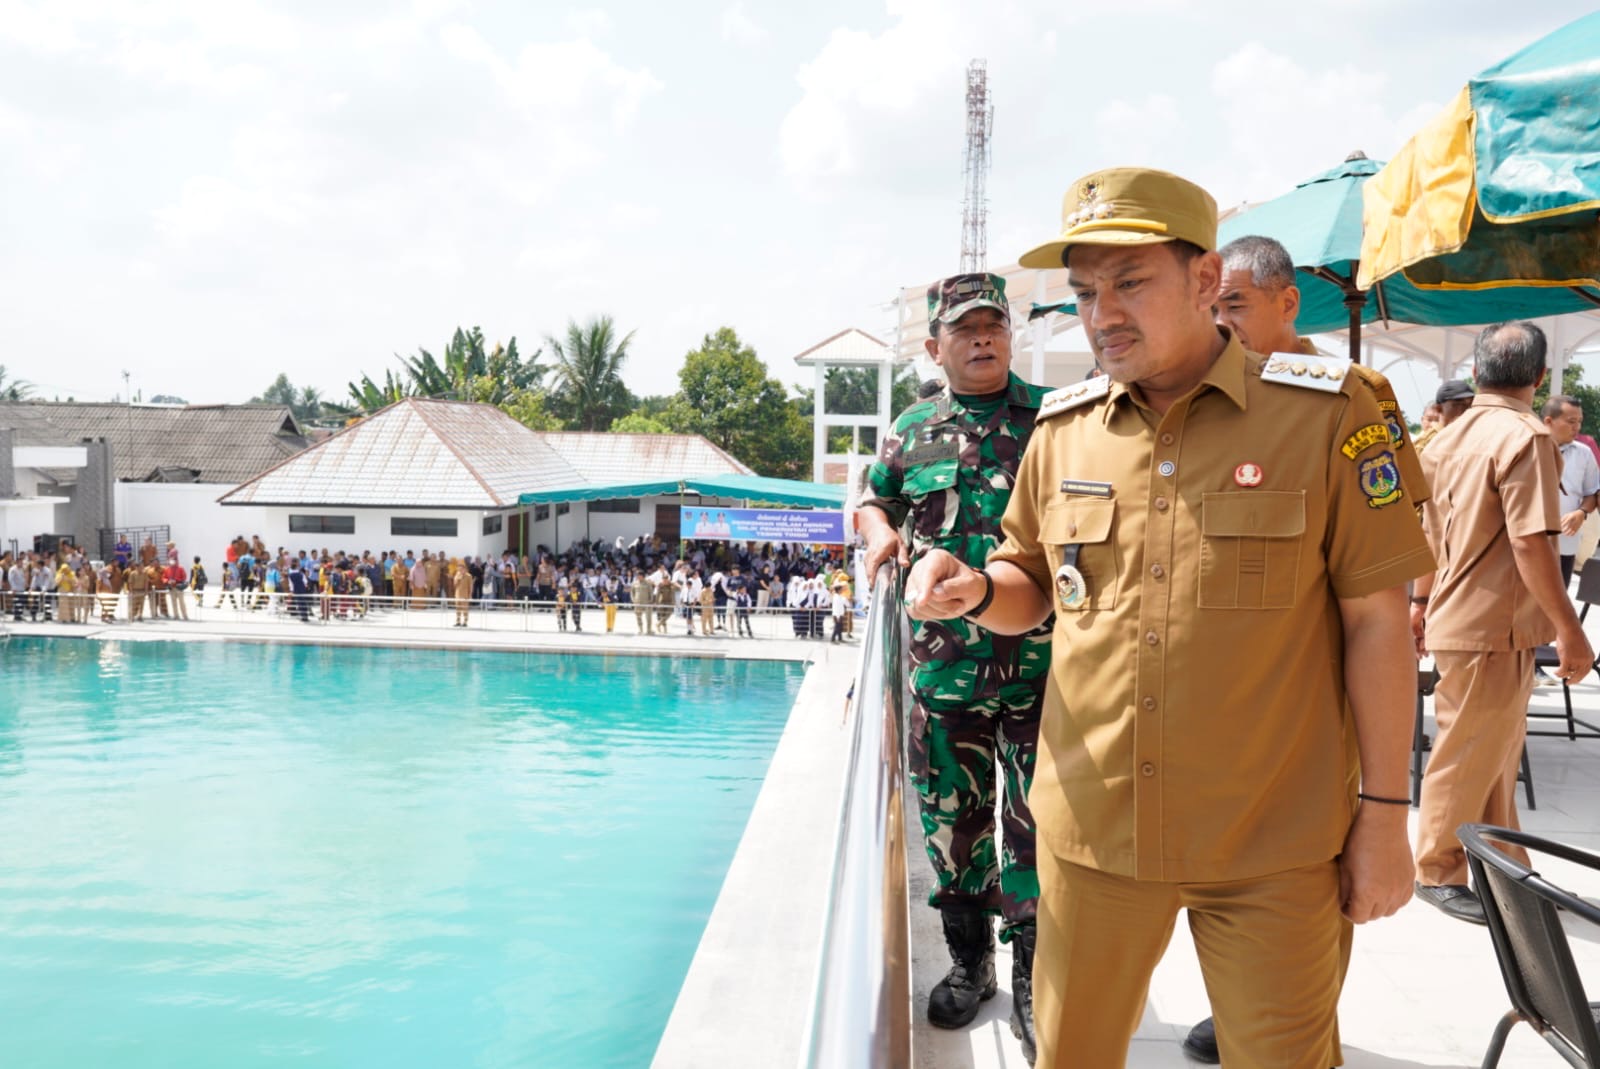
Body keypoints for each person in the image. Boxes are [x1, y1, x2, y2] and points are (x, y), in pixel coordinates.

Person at [909, 167, 1434, 1069]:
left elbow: (1380, 625)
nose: (1101, 312)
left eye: (1129, 282)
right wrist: (979, 589)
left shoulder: (1324, 413)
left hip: (1272, 844)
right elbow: (1032, 577)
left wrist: (1386, 817)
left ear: (1203, 280)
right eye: (1083, 292)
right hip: (1093, 839)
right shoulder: (1064, 430)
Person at [1180, 231, 1433, 1064]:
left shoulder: (1352, 395)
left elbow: (1392, 535)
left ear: (1289, 304)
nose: (1221, 321)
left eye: (1237, 306)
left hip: (1315, 688)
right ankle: (1238, 1003)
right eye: (1212, 305)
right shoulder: (1198, 396)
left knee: (1308, 883)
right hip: (1228, 701)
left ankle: (1289, 1016)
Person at [858, 271, 1052, 1057]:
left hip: (1043, 664)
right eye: (966, 330)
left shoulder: (1052, 419)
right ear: (936, 347)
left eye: (994, 327)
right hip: (942, 673)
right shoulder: (911, 430)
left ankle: (1038, 968)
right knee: (953, 826)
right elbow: (877, 498)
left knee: (1040, 823)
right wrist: (877, 534)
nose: (983, 340)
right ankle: (972, 965)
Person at [1410, 322, 1596, 924]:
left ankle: (1505, 864)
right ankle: (1436, 870)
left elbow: (1424, 535)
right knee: (1469, 750)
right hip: (1491, 621)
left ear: (1479, 368)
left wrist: (1418, 601)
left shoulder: (1447, 435)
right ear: (1540, 378)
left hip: (1464, 614)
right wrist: (1570, 629)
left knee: (1491, 751)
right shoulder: (1525, 436)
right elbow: (1530, 543)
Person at [1542, 394, 1600, 586]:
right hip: (1530, 544)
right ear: (1549, 421)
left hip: (1565, 545)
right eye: (1571, 421)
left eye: (1580, 421)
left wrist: (1581, 512)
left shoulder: (1584, 453)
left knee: (1557, 603)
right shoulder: (1529, 449)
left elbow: (1592, 492)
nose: (1577, 427)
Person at [452, 558, 473, 627]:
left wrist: (470, 595)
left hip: (465, 595)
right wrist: (458, 578)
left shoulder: (469, 576)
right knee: (458, 608)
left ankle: (465, 622)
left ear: (465, 569)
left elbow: (471, 586)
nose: (460, 570)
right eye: (459, 569)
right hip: (458, 595)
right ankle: (458, 621)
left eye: (462, 569)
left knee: (465, 609)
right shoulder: (457, 575)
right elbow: (454, 584)